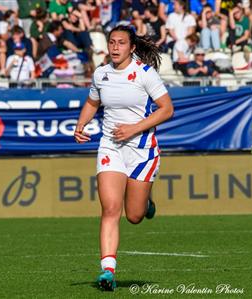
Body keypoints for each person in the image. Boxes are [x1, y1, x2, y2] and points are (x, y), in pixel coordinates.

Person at [74, 25, 174, 291]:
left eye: (121, 43)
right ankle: (107, 271)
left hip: (142, 150)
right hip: (110, 147)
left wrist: (133, 128)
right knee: (110, 209)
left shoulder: (144, 73)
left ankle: (146, 203)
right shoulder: (101, 74)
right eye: (111, 42)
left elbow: (167, 110)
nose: (115, 47)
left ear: (132, 48)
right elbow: (92, 102)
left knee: (134, 215)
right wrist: (80, 125)